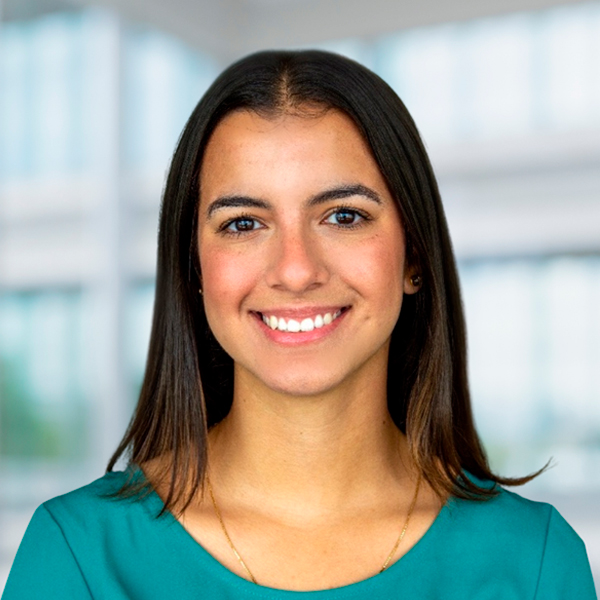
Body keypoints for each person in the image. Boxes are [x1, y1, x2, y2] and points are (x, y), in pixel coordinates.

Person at [2, 50, 596, 599]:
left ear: (414, 256)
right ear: (195, 269)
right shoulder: (76, 555)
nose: (295, 269)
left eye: (343, 215)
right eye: (242, 223)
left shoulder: (536, 563)